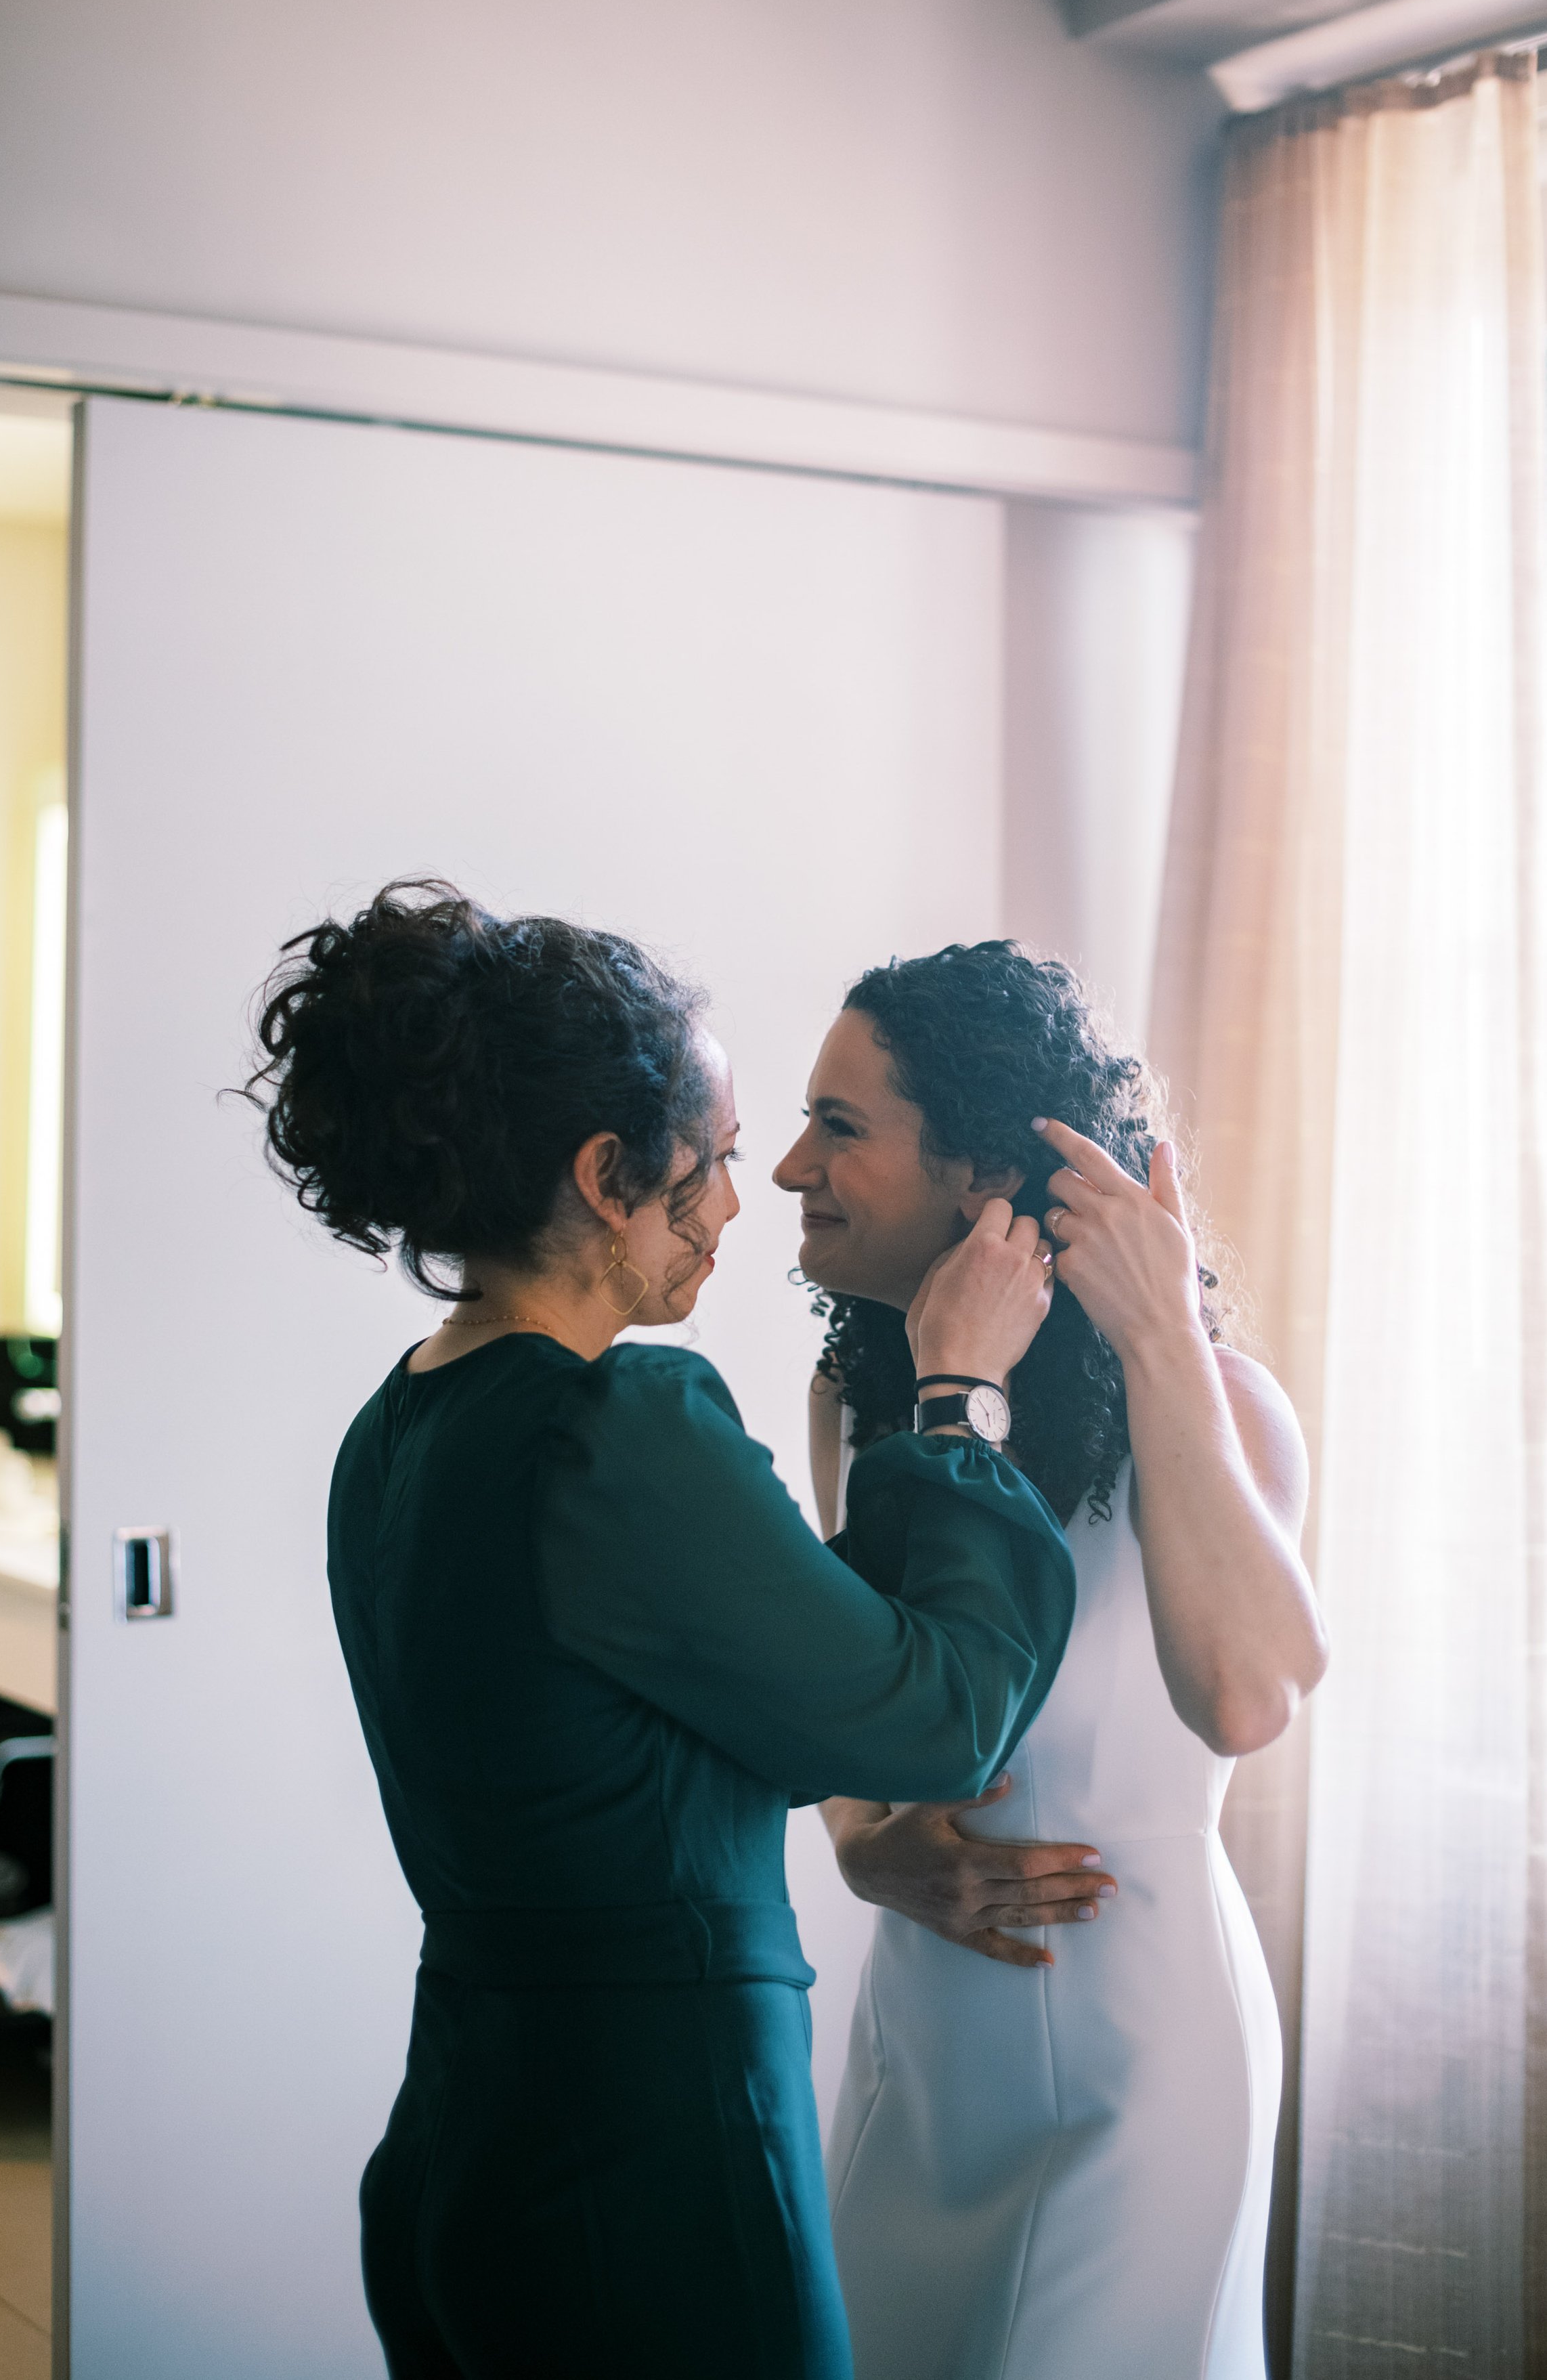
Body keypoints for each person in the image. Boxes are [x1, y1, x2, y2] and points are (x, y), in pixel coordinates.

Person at [246, 882, 1078, 2380]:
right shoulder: (615, 1422)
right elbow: (938, 1717)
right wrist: (956, 1395)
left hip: (470, 2131)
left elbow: (700, 1691)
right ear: (605, 1173)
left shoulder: (402, 1425)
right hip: (649, 2157)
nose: (742, 1198)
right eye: (708, 1162)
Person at [773, 941, 1327, 2380]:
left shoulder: (1218, 1403)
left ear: (975, 1176)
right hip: (924, 2039)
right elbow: (862, 1702)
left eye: (837, 1128)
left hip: (1139, 2058)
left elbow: (1248, 1694)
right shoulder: (857, 1396)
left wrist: (1156, 1341)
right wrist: (860, 1849)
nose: (786, 1167)